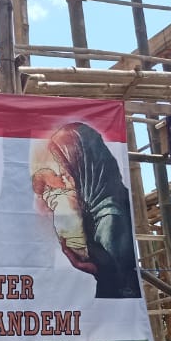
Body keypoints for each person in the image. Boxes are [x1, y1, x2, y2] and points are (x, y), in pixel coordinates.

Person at [32, 122, 141, 299]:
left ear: (84, 166)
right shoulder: (94, 206)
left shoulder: (111, 219)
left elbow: (120, 283)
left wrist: (91, 267)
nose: (64, 177)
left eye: (66, 170)